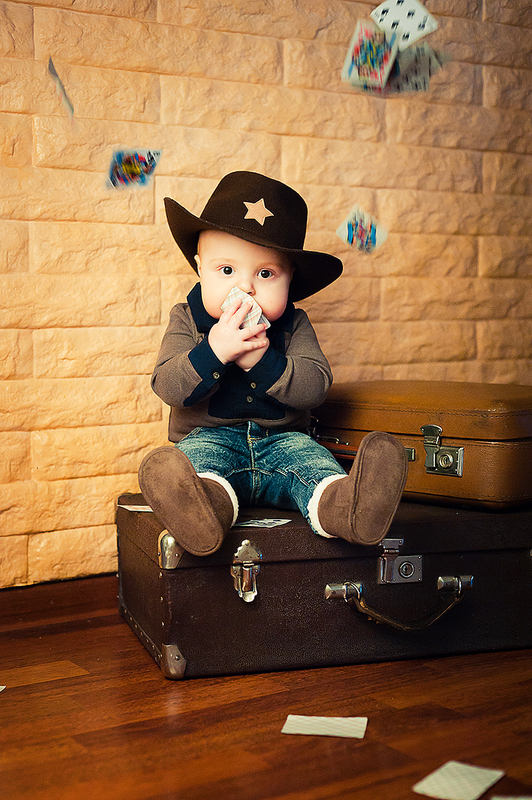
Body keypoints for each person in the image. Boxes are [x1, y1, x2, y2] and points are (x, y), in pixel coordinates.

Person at [138, 171, 408, 556]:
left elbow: (315, 386)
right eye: (226, 270)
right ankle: (201, 511)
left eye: (265, 273)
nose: (245, 287)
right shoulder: (187, 319)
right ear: (200, 268)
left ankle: (348, 507)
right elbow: (168, 386)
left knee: (315, 467)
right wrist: (215, 351)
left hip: (285, 442)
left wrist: (262, 361)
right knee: (198, 472)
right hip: (210, 439)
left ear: (289, 279)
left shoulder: (295, 324)